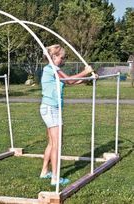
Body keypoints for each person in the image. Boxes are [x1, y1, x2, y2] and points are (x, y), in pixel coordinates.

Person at [39, 44, 94, 186]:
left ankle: (45, 171)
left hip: (49, 108)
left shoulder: (52, 69)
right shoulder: (52, 69)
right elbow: (69, 80)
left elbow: (71, 82)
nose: (63, 60)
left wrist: (90, 78)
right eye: (61, 57)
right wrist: (85, 71)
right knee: (57, 144)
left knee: (52, 142)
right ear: (54, 57)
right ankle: (55, 178)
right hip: (51, 109)